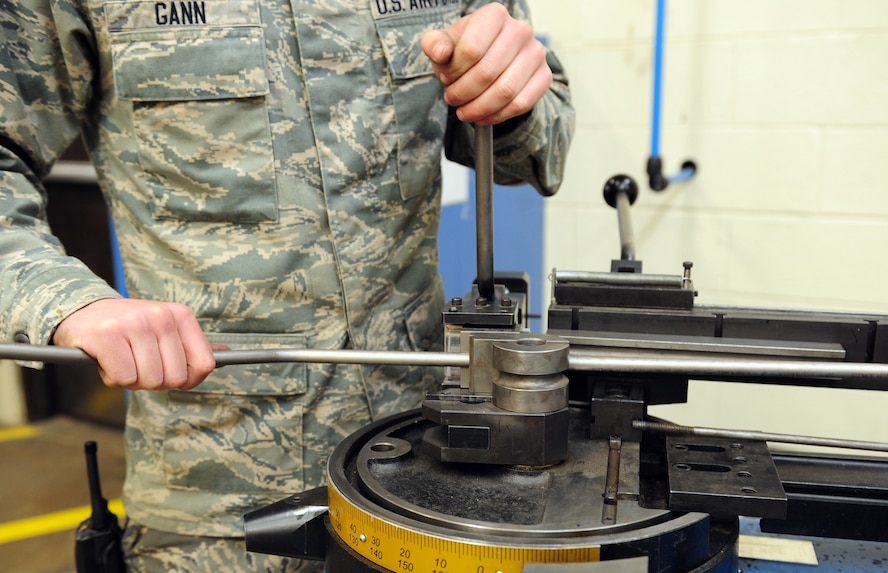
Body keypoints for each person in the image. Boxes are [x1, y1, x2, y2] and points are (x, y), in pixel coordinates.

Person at [0, 0, 574, 570]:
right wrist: (65, 299)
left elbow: (542, 142)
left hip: (428, 467)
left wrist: (512, 94)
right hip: (218, 497)